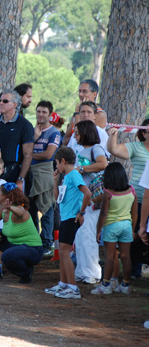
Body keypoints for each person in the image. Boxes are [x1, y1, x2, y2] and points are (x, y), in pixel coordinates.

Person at [44, 147, 91, 298]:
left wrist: (81, 212)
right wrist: (55, 180)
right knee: (63, 252)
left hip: (72, 217)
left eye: (57, 163)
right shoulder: (66, 176)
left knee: (64, 251)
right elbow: (58, 198)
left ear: (63, 161)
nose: (57, 167)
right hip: (66, 217)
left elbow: (87, 193)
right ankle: (64, 283)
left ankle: (72, 287)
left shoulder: (74, 175)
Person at [0, 183, 44, 283]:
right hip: (14, 244)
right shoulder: (2, 209)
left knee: (7, 256)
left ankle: (26, 272)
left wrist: (10, 208)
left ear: (5, 196)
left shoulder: (20, 208)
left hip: (32, 249)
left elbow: (20, 212)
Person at [108, 119, 149, 278]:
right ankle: (133, 271)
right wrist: (113, 136)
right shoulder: (136, 147)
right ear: (144, 133)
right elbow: (114, 149)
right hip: (137, 198)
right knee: (133, 234)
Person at [91, 163, 137, 295]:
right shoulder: (132, 191)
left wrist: (98, 230)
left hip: (111, 226)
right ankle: (125, 285)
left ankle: (105, 285)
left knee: (110, 257)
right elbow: (134, 213)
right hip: (127, 226)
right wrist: (133, 229)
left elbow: (103, 214)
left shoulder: (108, 193)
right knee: (125, 257)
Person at [72, 120, 108, 284]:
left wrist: (81, 169)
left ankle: (92, 273)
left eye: (78, 133)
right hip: (81, 199)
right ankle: (81, 271)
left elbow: (103, 163)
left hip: (93, 200)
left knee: (88, 235)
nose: (75, 135)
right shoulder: (81, 150)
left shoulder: (96, 148)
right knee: (80, 237)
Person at [29, 101, 61, 256]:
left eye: (44, 112)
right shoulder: (32, 130)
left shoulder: (54, 132)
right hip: (30, 172)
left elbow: (49, 154)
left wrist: (28, 156)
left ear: (50, 115)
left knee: (47, 207)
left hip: (45, 172)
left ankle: (47, 243)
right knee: (31, 208)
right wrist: (34, 137)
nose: (40, 115)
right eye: (38, 111)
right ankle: (35, 241)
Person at [0, 90, 34, 189]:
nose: (1, 103)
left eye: (5, 101)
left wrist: (20, 179)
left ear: (14, 104)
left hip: (14, 173)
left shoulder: (25, 125)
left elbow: (28, 155)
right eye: (0, 100)